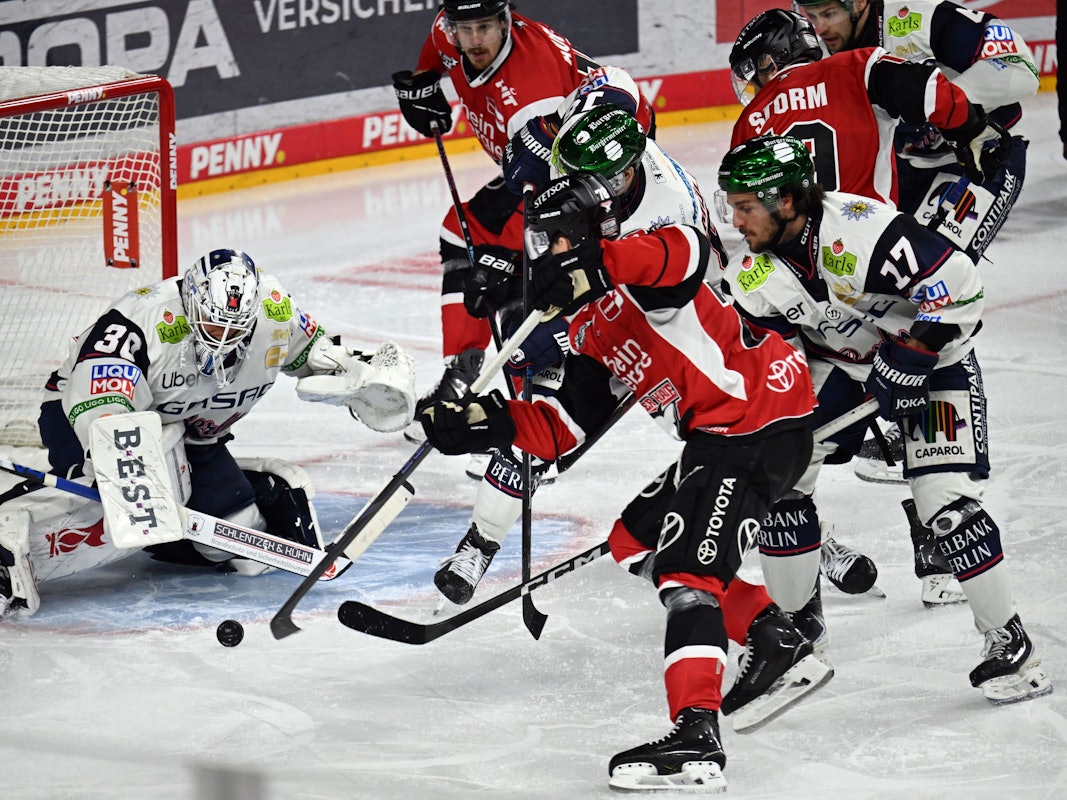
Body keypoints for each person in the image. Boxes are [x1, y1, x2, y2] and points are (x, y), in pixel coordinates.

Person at [419, 172, 831, 791]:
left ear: (591, 235)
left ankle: (696, 737)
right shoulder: (586, 326)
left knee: (688, 577)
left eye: (557, 239)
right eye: (540, 240)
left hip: (757, 423)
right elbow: (563, 429)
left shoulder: (640, 269)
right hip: (724, 435)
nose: (544, 251)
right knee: (635, 541)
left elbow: (685, 248)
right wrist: (488, 424)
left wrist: (595, 265)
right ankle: (778, 640)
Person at [717, 134, 1052, 706]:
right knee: (781, 481)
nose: (734, 218)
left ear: (788, 203)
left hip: (936, 360)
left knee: (943, 506)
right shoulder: (755, 274)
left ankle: (1010, 642)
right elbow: (774, 360)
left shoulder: (863, 231)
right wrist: (769, 427)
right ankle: (797, 638)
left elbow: (961, 287)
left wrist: (912, 357)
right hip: (842, 367)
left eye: (746, 206)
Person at [727, 7, 1014, 606]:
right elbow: (952, 106)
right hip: (875, 260)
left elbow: (753, 226)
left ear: (768, 63)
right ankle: (934, 526)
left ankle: (802, 616)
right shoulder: (856, 68)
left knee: (792, 454)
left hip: (815, 297)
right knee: (926, 372)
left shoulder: (749, 123)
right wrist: (964, 125)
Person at [0, 248, 415, 616]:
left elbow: (319, 356)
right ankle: (9, 541)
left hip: (195, 435)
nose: (223, 340)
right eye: (214, 326)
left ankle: (189, 522)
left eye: (236, 330)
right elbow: (98, 401)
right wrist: (130, 471)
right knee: (117, 517)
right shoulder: (141, 321)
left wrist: (363, 378)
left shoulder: (274, 311)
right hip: (87, 420)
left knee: (245, 555)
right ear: (191, 301)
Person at [434, 104, 712, 606]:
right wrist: (507, 276)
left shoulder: (665, 212)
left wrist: (553, 298)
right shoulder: (607, 171)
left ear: (626, 173)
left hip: (676, 333)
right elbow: (565, 259)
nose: (573, 186)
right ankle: (479, 542)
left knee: (732, 447)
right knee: (538, 423)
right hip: (613, 322)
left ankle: (791, 535)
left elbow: (624, 276)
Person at [790, 0, 1039, 484]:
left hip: (977, 165)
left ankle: (940, 441)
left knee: (938, 286)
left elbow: (1020, 70)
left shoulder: (919, 14)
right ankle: (902, 417)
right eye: (810, 15)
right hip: (908, 177)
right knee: (878, 287)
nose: (818, 29)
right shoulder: (819, 45)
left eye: (828, 14)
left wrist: (937, 101)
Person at [392, 1, 654, 433]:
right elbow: (433, 63)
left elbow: (559, 196)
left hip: (595, 168)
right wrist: (421, 91)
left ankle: (538, 416)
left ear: (505, 20)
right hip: (542, 164)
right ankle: (470, 371)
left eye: (484, 27)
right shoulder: (448, 33)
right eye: (465, 28)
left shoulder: (533, 91)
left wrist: (513, 264)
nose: (474, 40)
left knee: (530, 273)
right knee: (467, 235)